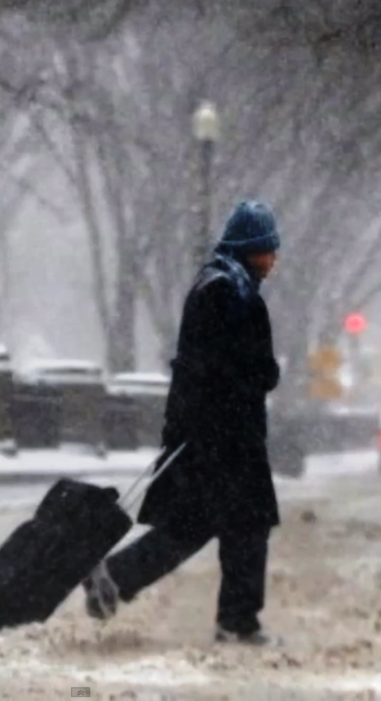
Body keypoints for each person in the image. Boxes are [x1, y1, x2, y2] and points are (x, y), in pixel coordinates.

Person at [82, 199, 283, 646]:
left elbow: (203, 365)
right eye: (269, 250)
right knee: (241, 527)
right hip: (226, 438)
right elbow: (243, 368)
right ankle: (237, 622)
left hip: (207, 434)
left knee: (195, 526)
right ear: (251, 249)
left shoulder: (215, 286)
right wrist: (263, 375)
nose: (273, 260)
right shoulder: (231, 293)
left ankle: (115, 578)